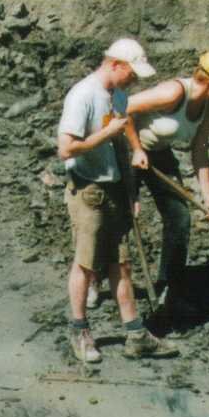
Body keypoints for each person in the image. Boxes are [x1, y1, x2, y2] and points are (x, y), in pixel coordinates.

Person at [56, 38, 175, 364]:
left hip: (115, 189)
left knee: (121, 264)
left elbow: (124, 133)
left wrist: (133, 174)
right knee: (85, 263)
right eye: (132, 73)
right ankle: (79, 330)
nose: (135, 80)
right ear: (115, 65)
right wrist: (106, 136)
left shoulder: (118, 95)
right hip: (88, 190)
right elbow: (66, 149)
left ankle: (135, 334)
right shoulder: (83, 96)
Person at [126, 47, 209, 315]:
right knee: (121, 218)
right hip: (124, 149)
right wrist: (135, 148)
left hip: (159, 154)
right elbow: (122, 109)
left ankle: (170, 289)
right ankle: (97, 279)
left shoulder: (207, 107)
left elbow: (200, 152)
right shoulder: (174, 93)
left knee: (179, 217)